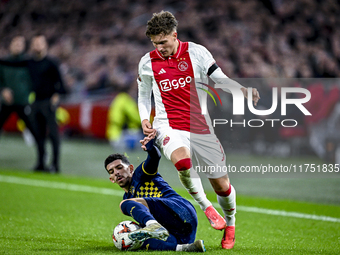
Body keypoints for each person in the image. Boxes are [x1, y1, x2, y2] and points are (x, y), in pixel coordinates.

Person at [137, 11, 260, 249]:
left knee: (221, 185)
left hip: (200, 126)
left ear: (175, 35)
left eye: (163, 42)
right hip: (167, 124)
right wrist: (145, 119)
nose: (159, 48)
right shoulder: (147, 62)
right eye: (155, 43)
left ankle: (231, 222)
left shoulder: (197, 52)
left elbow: (220, 79)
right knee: (182, 162)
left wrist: (242, 90)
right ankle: (207, 207)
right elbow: (143, 96)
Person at [104, 132, 206, 252]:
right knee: (138, 241)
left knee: (125, 204)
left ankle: (152, 225)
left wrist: (151, 148)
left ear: (131, 168)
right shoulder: (129, 197)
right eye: (111, 171)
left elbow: (154, 157)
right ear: (111, 179)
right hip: (180, 231)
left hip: (179, 208)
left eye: (119, 167)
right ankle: (185, 248)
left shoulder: (140, 174)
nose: (116, 173)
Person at [0, 35, 67, 173]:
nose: (37, 45)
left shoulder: (52, 62)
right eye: (35, 43)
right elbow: (11, 63)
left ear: (45, 45)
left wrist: (55, 97)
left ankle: (55, 165)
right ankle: (40, 163)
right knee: (39, 134)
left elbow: (62, 85)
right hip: (35, 102)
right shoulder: (30, 61)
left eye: (40, 43)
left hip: (48, 102)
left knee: (53, 135)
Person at [0, 36, 39, 159]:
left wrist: (28, 93)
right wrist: (3, 90)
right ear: (10, 44)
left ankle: (42, 155)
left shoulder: (28, 63)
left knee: (33, 129)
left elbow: (34, 81)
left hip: (23, 101)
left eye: (20, 44)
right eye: (15, 43)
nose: (17, 46)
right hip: (7, 102)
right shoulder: (4, 61)